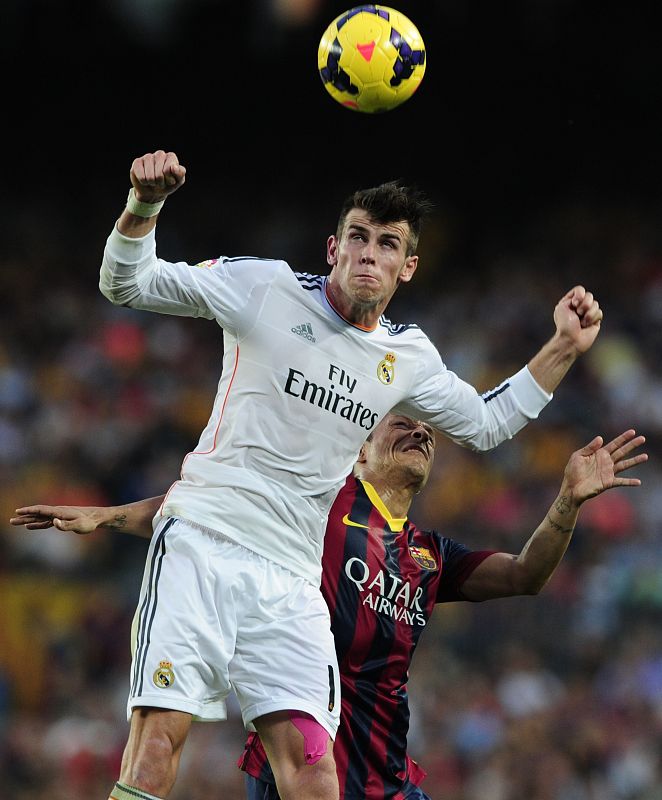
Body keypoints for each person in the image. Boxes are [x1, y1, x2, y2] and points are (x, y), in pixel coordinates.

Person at [84, 149, 602, 800]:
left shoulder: (406, 356)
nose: (368, 254)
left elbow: (485, 424)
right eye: (358, 236)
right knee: (158, 746)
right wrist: (144, 204)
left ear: (407, 266)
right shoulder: (265, 288)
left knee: (315, 774)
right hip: (205, 541)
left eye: (388, 244)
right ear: (334, 247)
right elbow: (127, 284)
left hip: (293, 579)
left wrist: (563, 346)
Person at [11, 416, 647, 800]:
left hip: (385, 778)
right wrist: (107, 517)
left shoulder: (429, 554)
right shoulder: (321, 503)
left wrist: (567, 503)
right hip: (295, 766)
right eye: (399, 424)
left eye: (427, 431)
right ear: (359, 452)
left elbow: (525, 574)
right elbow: (202, 512)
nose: (420, 432)